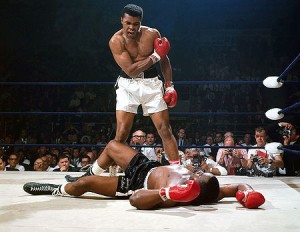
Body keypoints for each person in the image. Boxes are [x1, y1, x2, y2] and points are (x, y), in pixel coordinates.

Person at [65, 3, 179, 182]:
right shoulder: (115, 41)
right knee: (122, 133)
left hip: (152, 84)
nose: (131, 27)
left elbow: (164, 60)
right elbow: (132, 69)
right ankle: (98, 175)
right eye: (128, 23)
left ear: (141, 22)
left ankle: (177, 172)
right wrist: (155, 56)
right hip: (127, 85)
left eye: (135, 24)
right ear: (121, 21)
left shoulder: (152, 34)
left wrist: (170, 84)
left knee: (165, 129)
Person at [23, 140, 265, 210]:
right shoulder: (213, 187)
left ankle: (60, 189)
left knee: (84, 185)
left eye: (197, 176)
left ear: (195, 189)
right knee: (112, 146)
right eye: (199, 172)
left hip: (135, 182)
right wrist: (249, 195)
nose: (196, 171)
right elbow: (237, 186)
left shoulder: (183, 195)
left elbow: (136, 199)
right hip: (146, 164)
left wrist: (168, 192)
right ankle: (87, 170)